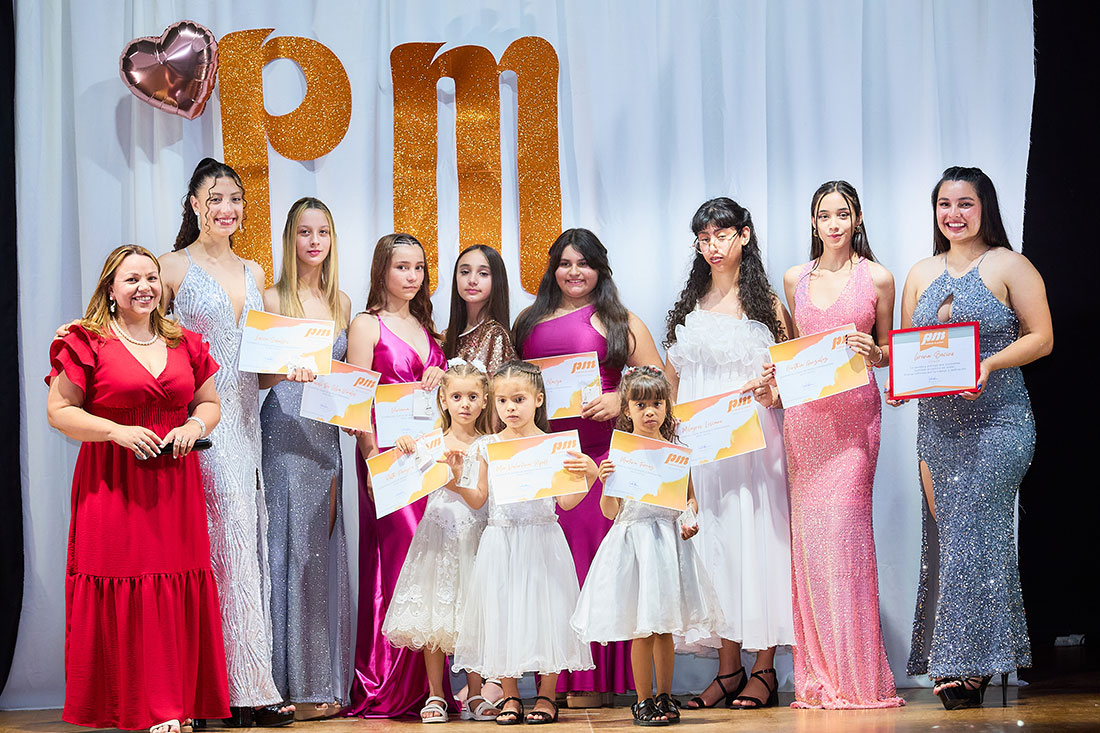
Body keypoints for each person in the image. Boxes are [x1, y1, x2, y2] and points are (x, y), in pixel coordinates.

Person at [46, 245, 228, 733]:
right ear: (111, 289)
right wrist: (115, 431)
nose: (144, 287)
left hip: (175, 485)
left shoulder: (184, 341)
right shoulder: (85, 341)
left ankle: (174, 706)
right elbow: (59, 412)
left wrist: (193, 425)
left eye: (151, 278)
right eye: (132, 280)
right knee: (124, 580)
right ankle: (138, 707)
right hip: (113, 482)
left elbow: (209, 403)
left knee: (174, 582)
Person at [897, 167, 1052, 709]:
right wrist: (896, 381)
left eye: (965, 203)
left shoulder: (1010, 264)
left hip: (999, 422)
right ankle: (966, 653)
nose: (954, 214)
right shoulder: (920, 272)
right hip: (938, 427)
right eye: (945, 204)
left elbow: (1042, 337)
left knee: (976, 533)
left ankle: (969, 661)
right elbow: (909, 351)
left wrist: (988, 363)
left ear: (985, 207)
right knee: (948, 535)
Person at [158, 158, 294, 727]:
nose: (226, 208)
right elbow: (148, 345)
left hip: (246, 423)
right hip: (199, 428)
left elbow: (257, 370)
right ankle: (231, 692)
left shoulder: (255, 271)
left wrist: (291, 368)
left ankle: (242, 687)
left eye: (235, 198)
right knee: (217, 549)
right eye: (215, 198)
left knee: (243, 548)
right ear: (194, 204)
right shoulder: (170, 268)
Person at [512, 228, 662, 705]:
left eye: (584, 263)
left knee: (600, 566)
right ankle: (557, 681)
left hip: (602, 459)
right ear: (552, 268)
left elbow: (662, 381)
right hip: (547, 460)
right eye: (565, 263)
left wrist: (622, 397)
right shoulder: (527, 322)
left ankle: (598, 681)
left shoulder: (621, 321)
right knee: (554, 571)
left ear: (600, 269)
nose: (574, 272)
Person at [769, 181, 903, 709]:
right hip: (805, 422)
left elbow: (890, 352)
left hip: (854, 421)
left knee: (846, 541)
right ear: (813, 222)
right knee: (810, 546)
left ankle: (858, 677)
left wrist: (876, 352)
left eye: (842, 214)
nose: (833, 224)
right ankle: (821, 674)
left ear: (857, 218)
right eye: (824, 215)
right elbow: (792, 351)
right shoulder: (794, 278)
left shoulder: (878, 277)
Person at [665, 197, 794, 710]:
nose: (713, 246)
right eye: (704, 238)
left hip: (754, 445)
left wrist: (772, 391)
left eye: (722, 235)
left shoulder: (768, 304)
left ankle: (764, 668)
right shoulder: (690, 305)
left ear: (744, 235)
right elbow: (673, 382)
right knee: (714, 546)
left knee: (757, 540)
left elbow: (791, 377)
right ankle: (728, 669)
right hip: (703, 448)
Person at [571, 366, 723, 726]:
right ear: (627, 410)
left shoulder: (676, 453)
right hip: (635, 547)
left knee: (664, 627)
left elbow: (689, 499)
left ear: (667, 407)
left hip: (668, 546)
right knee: (643, 628)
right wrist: (606, 483)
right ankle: (643, 700)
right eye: (641, 405)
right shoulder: (620, 454)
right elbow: (610, 512)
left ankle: (665, 695)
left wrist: (689, 519)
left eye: (657, 404)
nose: (650, 412)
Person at [451, 361, 598, 724]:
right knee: (503, 615)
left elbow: (566, 502)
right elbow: (478, 498)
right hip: (501, 541)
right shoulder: (487, 446)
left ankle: (547, 695)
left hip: (542, 538)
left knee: (547, 614)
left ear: (538, 399)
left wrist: (591, 476)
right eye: (502, 401)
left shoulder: (553, 446)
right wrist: (455, 478)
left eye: (518, 399)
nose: (510, 408)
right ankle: (511, 695)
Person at [345, 233, 448, 717]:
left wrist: (443, 378)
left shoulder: (428, 328)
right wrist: (371, 460)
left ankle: (431, 688)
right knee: (399, 563)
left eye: (419, 268)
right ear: (382, 271)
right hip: (389, 459)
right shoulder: (367, 324)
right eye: (402, 267)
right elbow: (356, 401)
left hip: (429, 459)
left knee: (432, 564)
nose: (412, 276)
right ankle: (386, 679)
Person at [259, 198, 353, 719]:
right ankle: (281, 685)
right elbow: (253, 378)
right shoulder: (271, 297)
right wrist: (283, 369)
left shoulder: (342, 302)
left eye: (323, 232)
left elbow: (348, 382)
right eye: (304, 232)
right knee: (284, 554)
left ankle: (319, 682)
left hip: (324, 439)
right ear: (289, 239)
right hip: (282, 432)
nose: (314, 242)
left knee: (319, 555)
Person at [382, 360, 499, 723]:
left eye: (473, 396)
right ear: (444, 400)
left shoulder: (488, 446)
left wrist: (454, 480)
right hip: (437, 536)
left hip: (473, 535)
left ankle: (476, 692)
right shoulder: (430, 441)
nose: (465, 404)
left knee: (472, 614)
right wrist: (404, 445)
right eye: (457, 396)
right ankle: (436, 693)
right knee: (435, 612)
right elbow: (402, 470)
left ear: (484, 400)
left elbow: (480, 498)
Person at [442, 244, 516, 374]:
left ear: (497, 280)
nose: (472, 280)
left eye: (483, 274)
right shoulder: (446, 336)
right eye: (465, 272)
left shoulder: (495, 335)